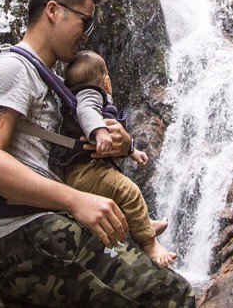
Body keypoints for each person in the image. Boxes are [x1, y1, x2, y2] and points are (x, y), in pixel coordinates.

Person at [0, 0, 195, 307]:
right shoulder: (10, 67)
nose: (87, 34)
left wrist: (113, 144)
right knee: (172, 296)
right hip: (24, 231)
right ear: (53, 11)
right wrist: (75, 200)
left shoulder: (55, 81)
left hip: (45, 224)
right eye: (84, 21)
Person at [60, 50, 177, 266]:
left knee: (121, 197)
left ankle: (143, 223)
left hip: (86, 171)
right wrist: (100, 132)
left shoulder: (79, 94)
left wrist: (132, 151)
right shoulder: (90, 94)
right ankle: (150, 244)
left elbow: (114, 134)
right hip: (84, 172)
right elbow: (88, 112)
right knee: (128, 192)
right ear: (105, 80)